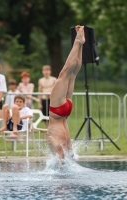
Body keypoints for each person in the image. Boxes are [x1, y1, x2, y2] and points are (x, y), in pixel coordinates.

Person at [47, 25, 85, 160]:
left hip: (64, 113)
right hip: (58, 111)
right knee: (67, 74)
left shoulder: (55, 139)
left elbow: (63, 155)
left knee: (70, 74)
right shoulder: (51, 137)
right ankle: (78, 42)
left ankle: (79, 42)